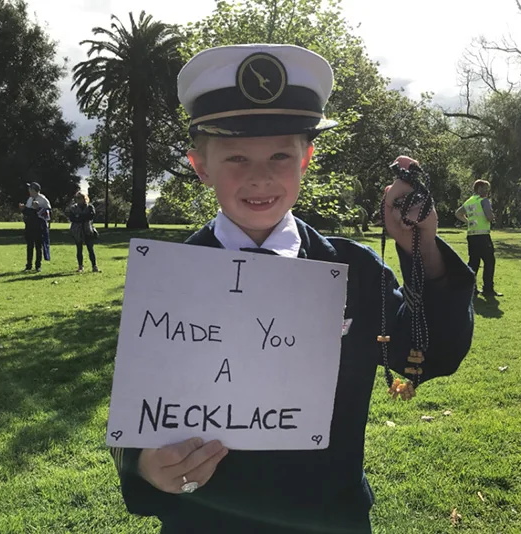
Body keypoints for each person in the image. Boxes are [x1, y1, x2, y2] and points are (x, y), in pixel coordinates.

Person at [109, 44, 475, 534]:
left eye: (280, 155)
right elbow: (136, 413)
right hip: (206, 520)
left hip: (329, 518)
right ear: (201, 166)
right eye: (237, 157)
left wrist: (421, 244)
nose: (260, 177)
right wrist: (143, 464)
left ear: (306, 159)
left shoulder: (353, 270)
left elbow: (432, 354)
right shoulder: (168, 279)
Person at [455, 179, 502, 297]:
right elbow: (489, 217)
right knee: (489, 261)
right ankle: (488, 288)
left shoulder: (469, 201)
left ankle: (471, 288)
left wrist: (468, 221)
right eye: (485, 188)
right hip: (483, 235)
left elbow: (458, 213)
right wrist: (493, 216)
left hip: (471, 235)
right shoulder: (484, 201)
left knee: (474, 262)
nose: (486, 191)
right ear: (479, 189)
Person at [19, 182, 51, 272]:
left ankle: (38, 266)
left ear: (34, 190)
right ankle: (28, 266)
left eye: (30, 189)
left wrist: (38, 208)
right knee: (29, 246)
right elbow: (28, 212)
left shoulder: (43, 200)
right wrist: (23, 209)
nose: (28, 190)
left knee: (38, 246)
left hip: (39, 226)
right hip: (29, 225)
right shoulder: (30, 199)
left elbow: (48, 214)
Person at [68, 192, 100, 273]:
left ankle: (94, 266)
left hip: (87, 230)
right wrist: (82, 217)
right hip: (77, 231)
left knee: (90, 249)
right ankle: (80, 266)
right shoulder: (73, 208)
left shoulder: (90, 207)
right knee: (79, 249)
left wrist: (79, 217)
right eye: (77, 198)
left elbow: (91, 216)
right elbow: (72, 218)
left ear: (84, 198)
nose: (78, 200)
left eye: (80, 198)